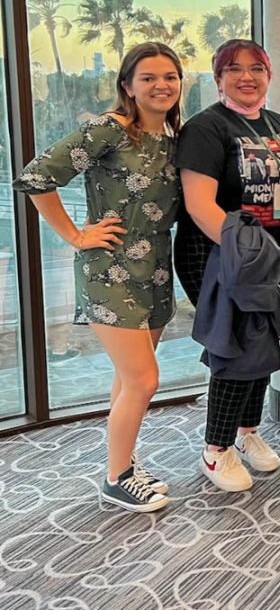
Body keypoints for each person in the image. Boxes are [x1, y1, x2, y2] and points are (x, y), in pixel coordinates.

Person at [13, 42, 183, 512]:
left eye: (169, 76)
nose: (160, 85)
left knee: (131, 379)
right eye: (148, 77)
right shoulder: (109, 131)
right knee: (144, 380)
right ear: (127, 85)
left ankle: (123, 461)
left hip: (157, 266)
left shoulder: (174, 137)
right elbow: (35, 177)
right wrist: (74, 235)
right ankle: (116, 477)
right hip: (110, 268)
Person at [174, 38, 280, 493]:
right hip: (221, 254)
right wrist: (248, 254)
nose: (246, 76)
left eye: (256, 68)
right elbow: (198, 205)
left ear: (269, 75)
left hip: (274, 254)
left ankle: (247, 432)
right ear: (218, 79)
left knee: (264, 343)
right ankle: (216, 449)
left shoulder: (279, 124)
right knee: (236, 348)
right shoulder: (206, 128)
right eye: (234, 68)